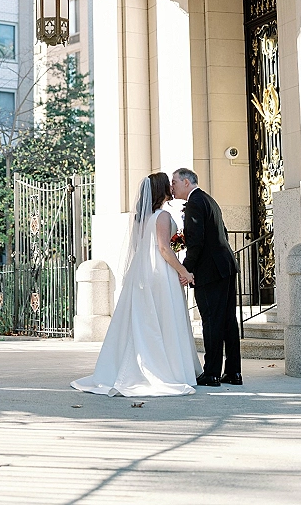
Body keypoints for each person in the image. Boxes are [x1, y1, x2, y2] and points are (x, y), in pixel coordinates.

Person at [71, 172, 201, 397]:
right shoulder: (160, 216)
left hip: (143, 273)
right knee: (164, 319)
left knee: (144, 320)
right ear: (161, 189)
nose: (172, 185)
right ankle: (167, 369)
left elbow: (144, 247)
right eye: (168, 183)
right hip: (160, 274)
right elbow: (162, 249)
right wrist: (184, 272)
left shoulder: (141, 218)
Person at [171, 167, 242, 387]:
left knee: (211, 321)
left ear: (186, 182)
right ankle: (233, 372)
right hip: (226, 266)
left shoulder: (195, 203)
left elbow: (197, 242)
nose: (171, 187)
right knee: (228, 321)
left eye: (174, 182)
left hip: (210, 271)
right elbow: (222, 232)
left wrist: (186, 270)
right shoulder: (208, 199)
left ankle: (211, 373)